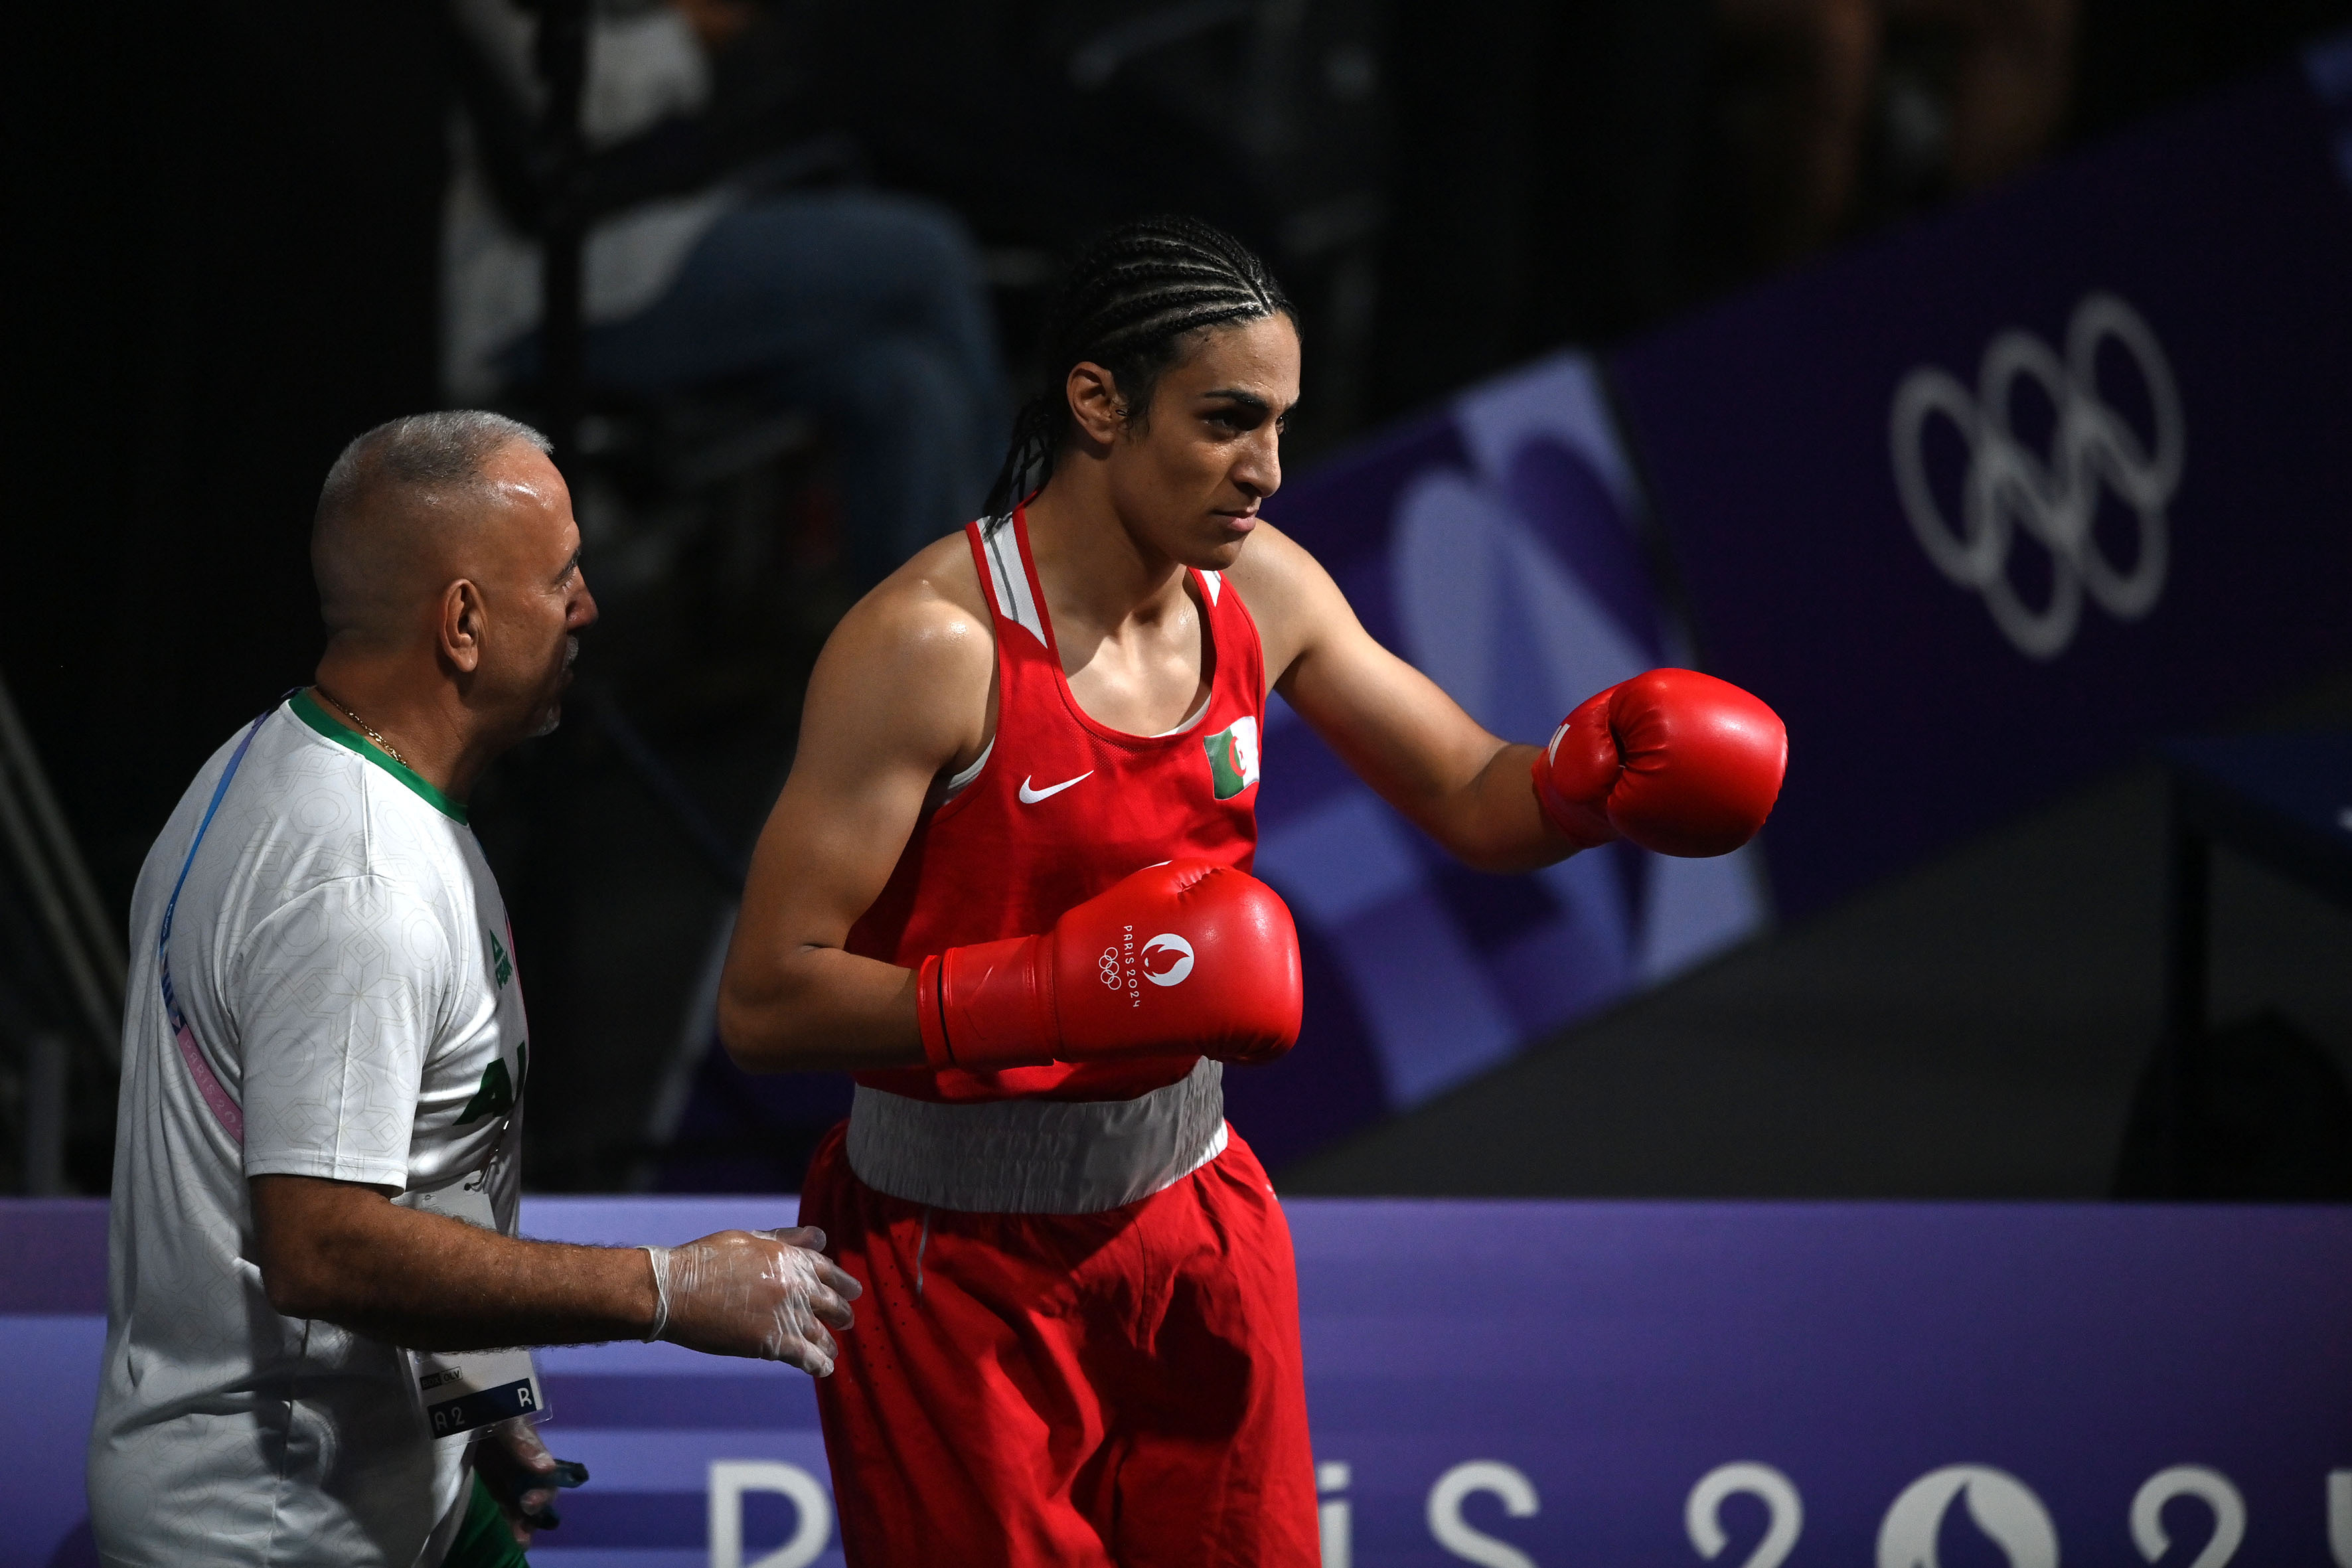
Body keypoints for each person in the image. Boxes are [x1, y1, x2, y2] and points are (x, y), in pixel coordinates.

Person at [716, 216, 1786, 1565]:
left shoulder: (1260, 592)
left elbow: (1470, 789)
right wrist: (1044, 994)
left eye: (1277, 424)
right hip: (952, 1255)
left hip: (1195, 1217)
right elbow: (767, 1000)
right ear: (1097, 402)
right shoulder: (930, 647)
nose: (1266, 470)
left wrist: (1583, 786)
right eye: (1226, 420)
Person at [86, 411, 861, 1568]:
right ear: (462, 622)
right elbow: (323, 1246)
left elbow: (426, 1154)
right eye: (560, 578)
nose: (587, 606)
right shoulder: (361, 885)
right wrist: (668, 1287)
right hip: (280, 1530)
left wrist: (475, 1398)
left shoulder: (289, 764)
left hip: (400, 1494)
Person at [443, 0, 1008, 584]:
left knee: (908, 381)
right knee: (926, 253)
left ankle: (939, 633)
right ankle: (1021, 591)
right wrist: (691, 28)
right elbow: (587, 104)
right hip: (540, 294)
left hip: (658, 233)